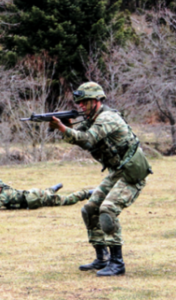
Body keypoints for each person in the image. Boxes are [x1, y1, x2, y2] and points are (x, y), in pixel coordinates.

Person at [49, 82, 152, 277]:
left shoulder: (106, 118)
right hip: (117, 171)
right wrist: (67, 128)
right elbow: (84, 140)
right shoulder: (93, 118)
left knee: (108, 209)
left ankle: (117, 263)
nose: (81, 106)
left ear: (96, 101)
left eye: (84, 102)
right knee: (89, 209)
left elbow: (88, 139)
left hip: (132, 172)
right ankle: (102, 257)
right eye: (79, 103)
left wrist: (62, 128)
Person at [0, 177, 92, 211]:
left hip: (37, 198)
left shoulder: (5, 194)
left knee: (67, 199)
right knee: (47, 192)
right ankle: (53, 188)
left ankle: (87, 193)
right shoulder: (3, 193)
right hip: (33, 194)